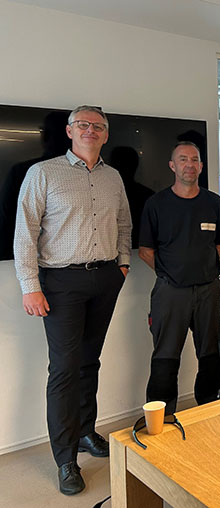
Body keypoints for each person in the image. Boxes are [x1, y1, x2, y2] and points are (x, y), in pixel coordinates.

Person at [14, 105, 131, 495]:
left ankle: (85, 431)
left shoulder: (113, 177)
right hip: (60, 283)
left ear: (106, 134)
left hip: (105, 278)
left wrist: (123, 265)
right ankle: (65, 459)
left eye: (98, 126)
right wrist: (30, 285)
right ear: (69, 131)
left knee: (89, 362)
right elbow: (25, 232)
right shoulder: (44, 173)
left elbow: (123, 223)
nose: (90, 130)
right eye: (83, 124)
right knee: (64, 369)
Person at [138, 141, 220, 416]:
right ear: (172, 166)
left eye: (194, 159)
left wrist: (198, 269)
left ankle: (208, 409)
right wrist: (172, 272)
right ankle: (161, 418)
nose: (189, 164)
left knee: (211, 354)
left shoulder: (214, 203)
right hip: (170, 292)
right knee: (165, 356)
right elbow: (145, 251)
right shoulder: (156, 204)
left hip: (208, 290)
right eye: (182, 159)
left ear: (201, 166)